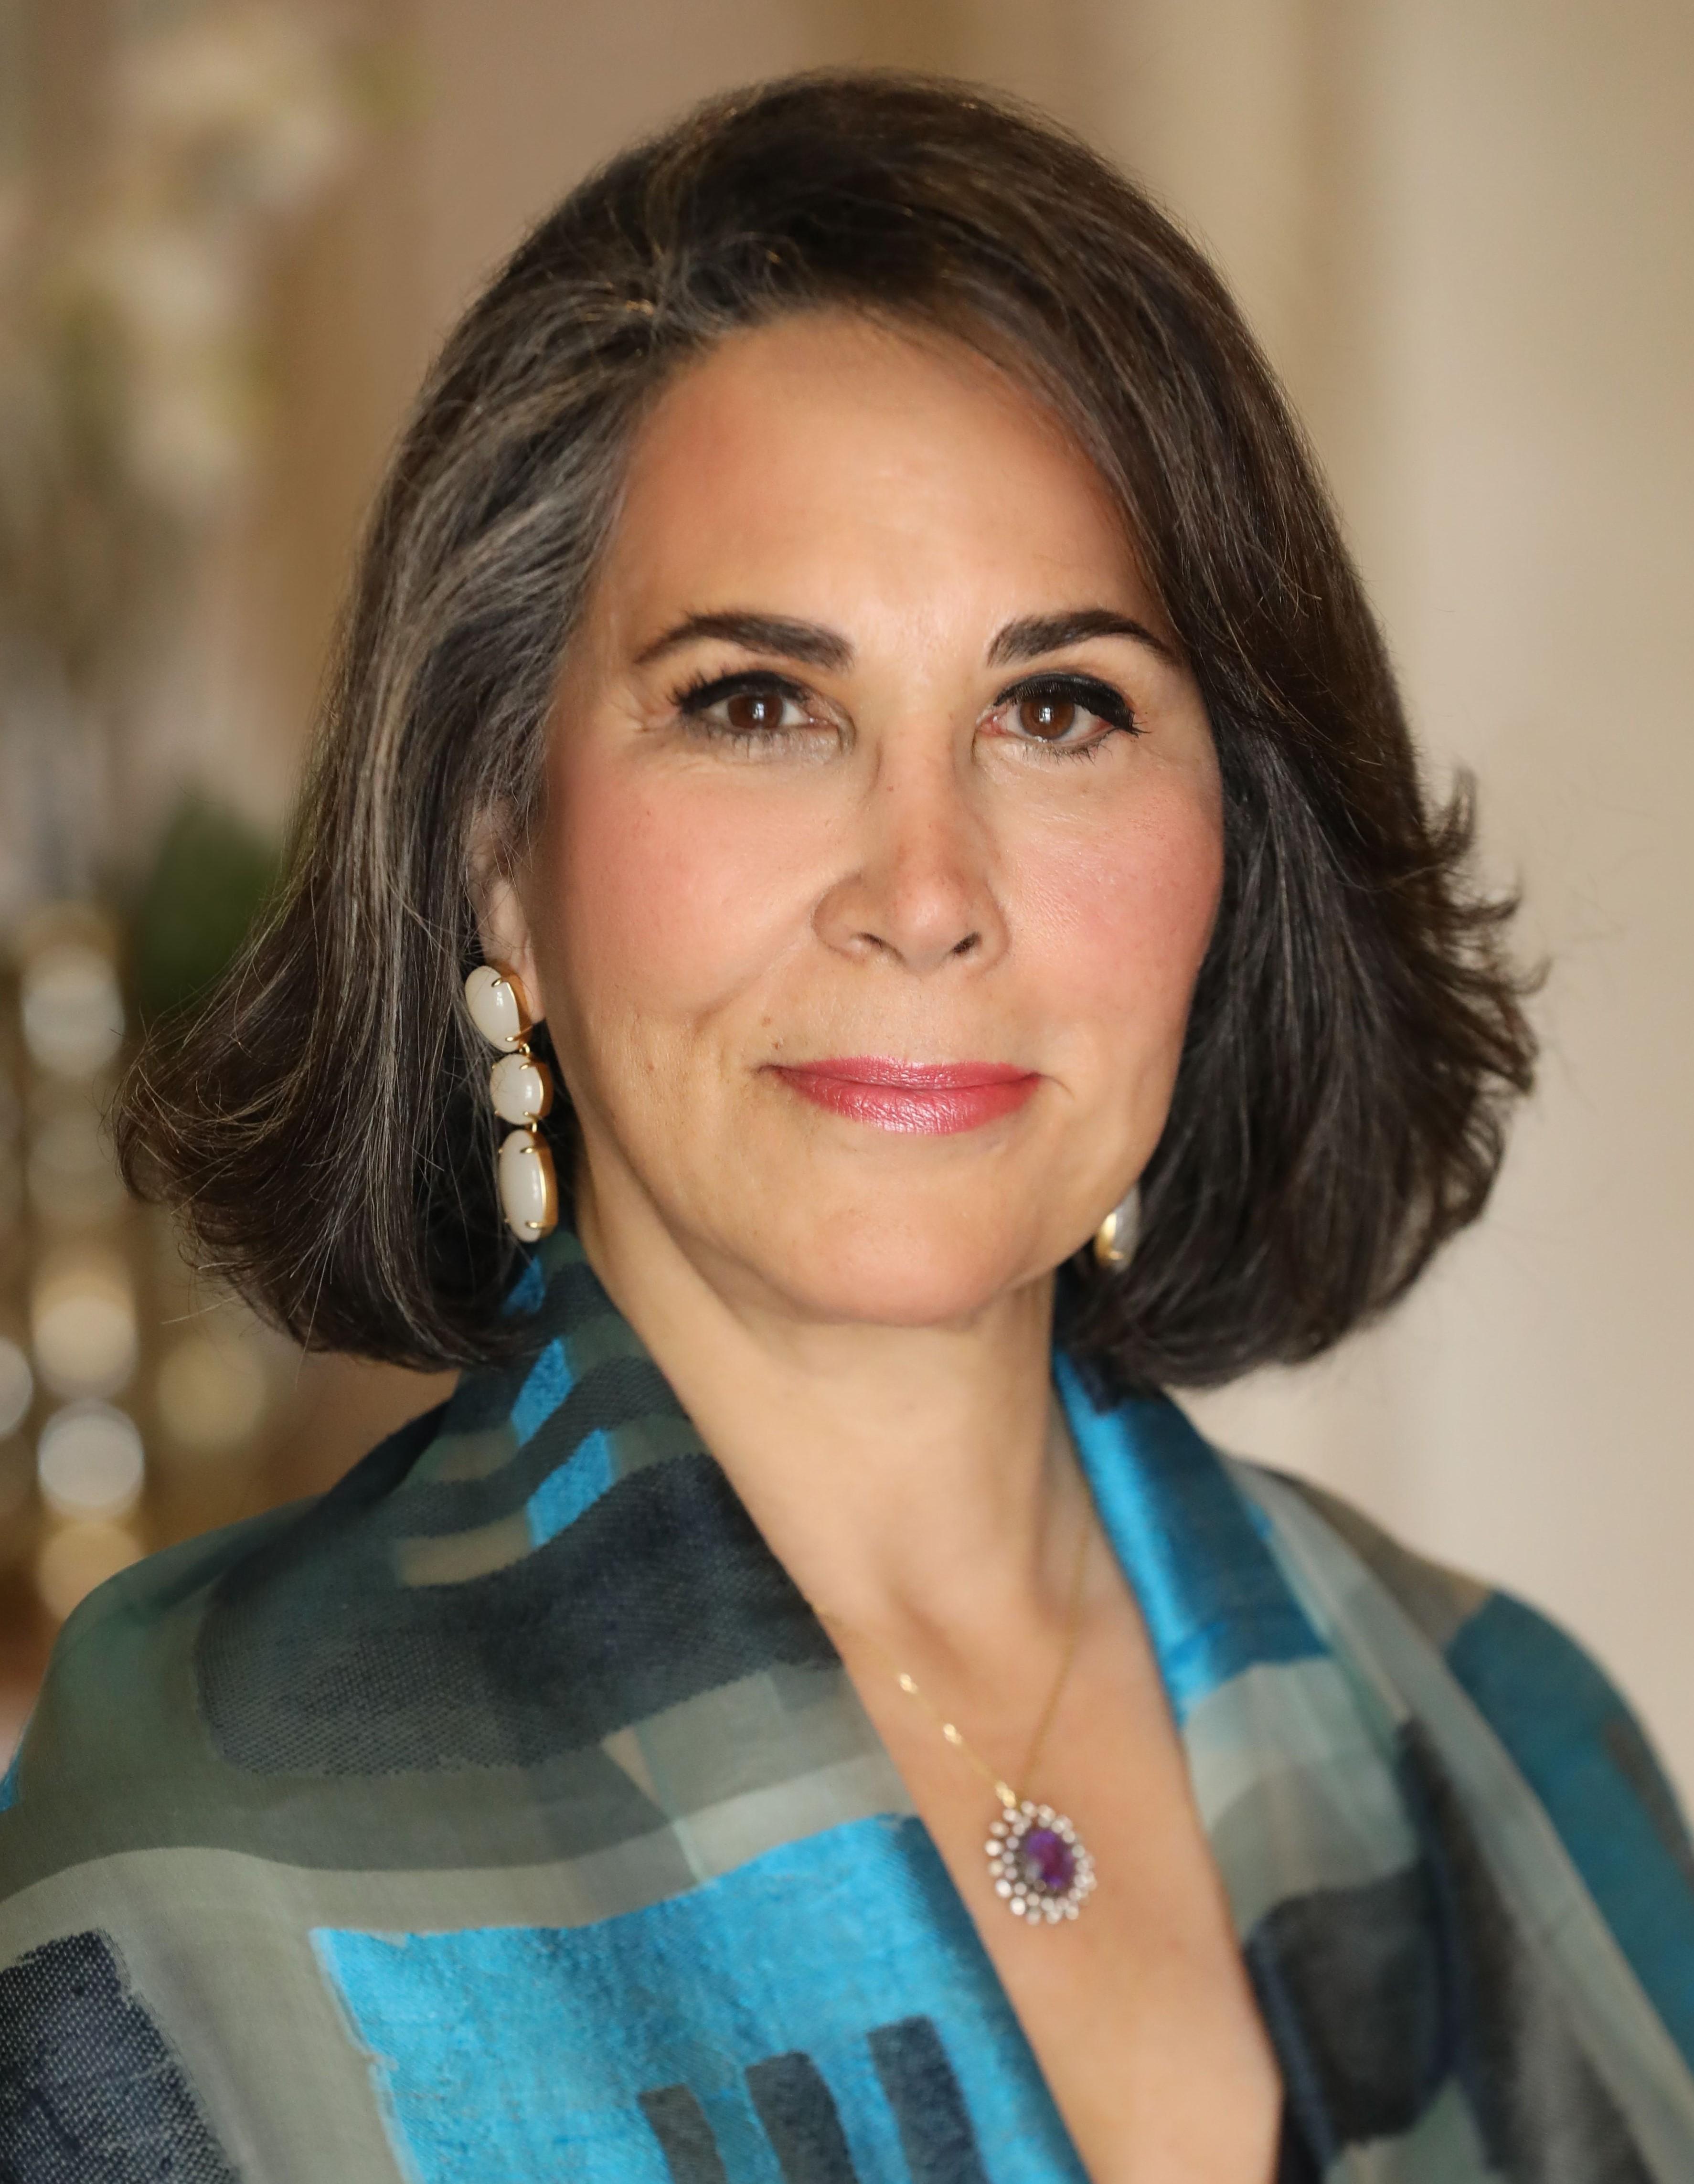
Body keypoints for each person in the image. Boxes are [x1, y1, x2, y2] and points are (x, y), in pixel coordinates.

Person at [2, 71, 1690, 2184]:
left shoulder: (1521, 1758)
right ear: (500, 849)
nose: (925, 889)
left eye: (1057, 708)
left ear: (1236, 846)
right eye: (759, 704)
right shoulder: (196, 1859)